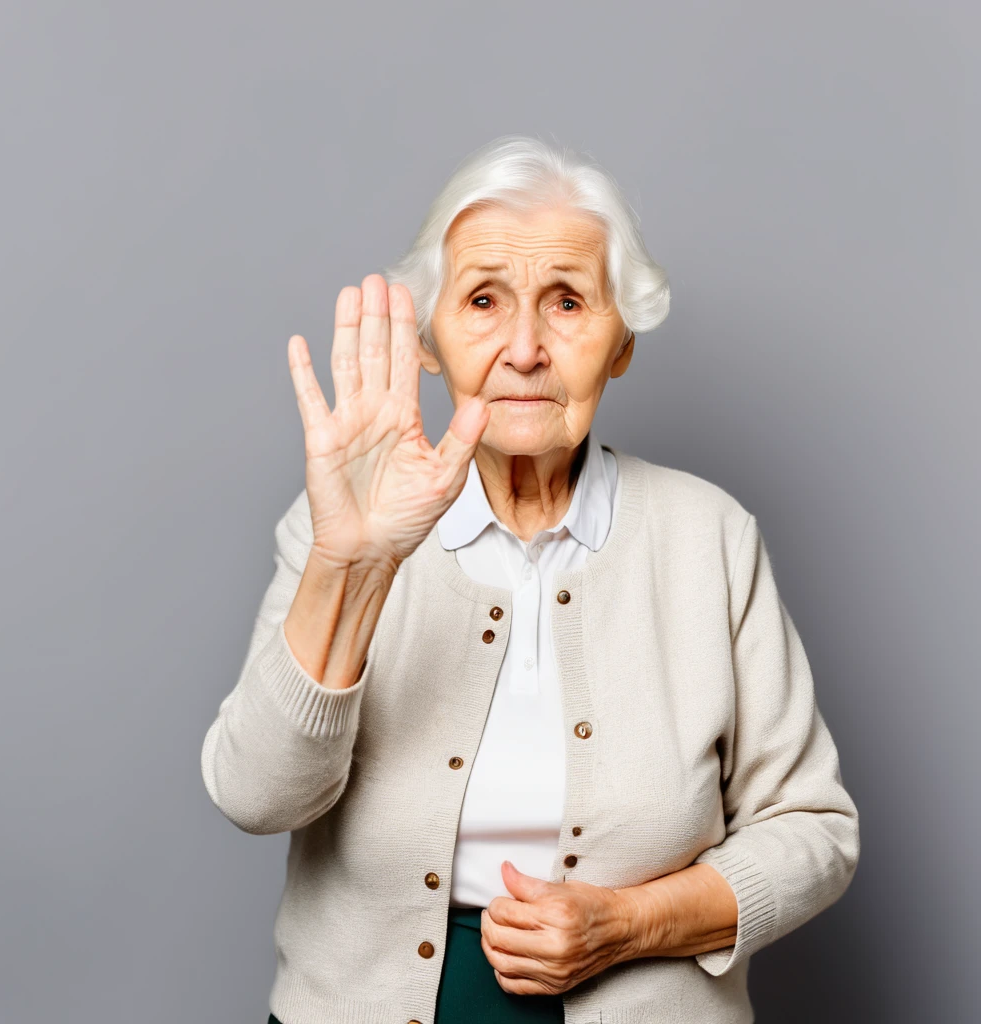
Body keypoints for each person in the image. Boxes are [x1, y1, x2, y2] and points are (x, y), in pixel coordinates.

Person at [200, 135, 860, 1024]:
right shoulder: (336, 529)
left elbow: (815, 831)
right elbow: (255, 796)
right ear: (429, 341)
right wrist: (354, 568)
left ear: (620, 342)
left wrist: (628, 924)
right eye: (482, 301)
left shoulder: (709, 536)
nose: (524, 348)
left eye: (566, 303)